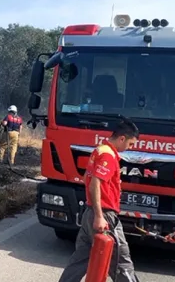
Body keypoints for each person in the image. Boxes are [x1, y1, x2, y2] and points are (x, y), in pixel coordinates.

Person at [58, 120, 141, 282]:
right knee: (120, 261)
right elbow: (96, 182)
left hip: (90, 212)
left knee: (81, 258)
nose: (130, 148)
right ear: (122, 138)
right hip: (105, 214)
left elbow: (86, 179)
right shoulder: (108, 156)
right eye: (130, 144)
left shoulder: (99, 151)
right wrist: (99, 215)